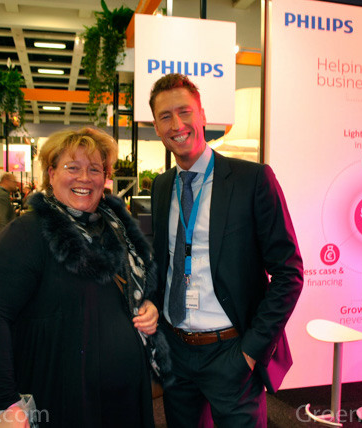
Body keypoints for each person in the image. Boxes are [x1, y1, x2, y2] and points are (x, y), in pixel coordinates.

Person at [0, 127, 169, 427]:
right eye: (72, 167)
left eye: (95, 169)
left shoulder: (116, 229)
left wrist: (150, 307)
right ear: (51, 174)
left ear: (105, 178)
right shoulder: (27, 233)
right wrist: (5, 403)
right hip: (63, 399)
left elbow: (137, 289)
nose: (84, 178)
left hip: (125, 398)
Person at [149, 73, 303, 427]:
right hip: (176, 352)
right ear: (156, 127)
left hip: (231, 352)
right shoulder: (161, 186)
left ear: (203, 115)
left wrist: (251, 351)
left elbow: (289, 272)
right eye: (165, 116)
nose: (177, 125)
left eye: (184, 112)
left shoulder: (252, 180)